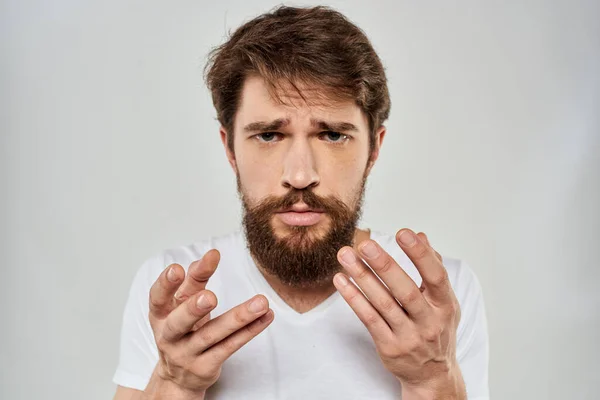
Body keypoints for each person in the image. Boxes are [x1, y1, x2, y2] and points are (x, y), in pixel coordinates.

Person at [112, 5, 489, 400]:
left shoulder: (439, 299)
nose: (300, 174)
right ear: (230, 149)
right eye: (269, 136)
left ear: (374, 149)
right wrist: (175, 383)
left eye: (331, 135)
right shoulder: (174, 294)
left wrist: (431, 379)